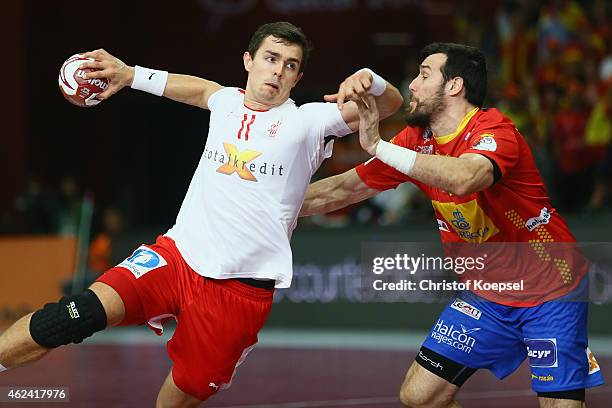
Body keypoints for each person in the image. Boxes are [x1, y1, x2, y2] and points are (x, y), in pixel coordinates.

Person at [0, 22, 403, 407]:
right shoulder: (226, 102)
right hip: (175, 258)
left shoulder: (307, 121)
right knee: (73, 316)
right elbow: (197, 89)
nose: (278, 71)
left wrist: (369, 80)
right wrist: (129, 74)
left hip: (238, 291)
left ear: (297, 78)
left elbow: (390, 104)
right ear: (248, 60)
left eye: (290, 65)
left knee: (182, 396)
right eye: (271, 58)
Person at [300, 43, 604, 408]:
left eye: (424, 75)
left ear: (455, 85)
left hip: (551, 289)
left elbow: (466, 178)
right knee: (420, 396)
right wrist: (267, 206)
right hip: (487, 297)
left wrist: (380, 147)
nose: (412, 85)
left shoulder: (495, 129)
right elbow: (344, 189)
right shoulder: (416, 140)